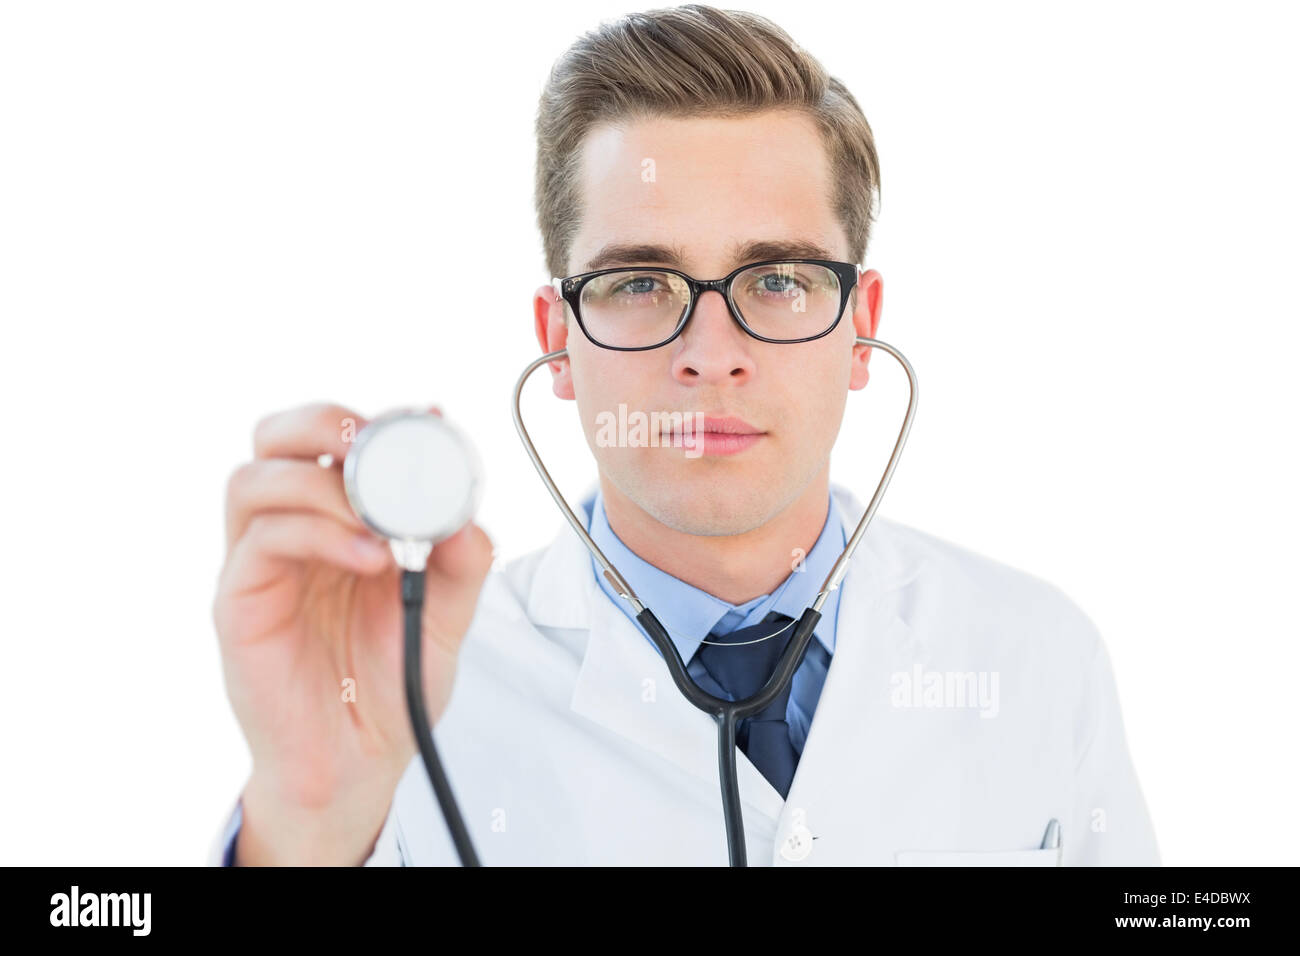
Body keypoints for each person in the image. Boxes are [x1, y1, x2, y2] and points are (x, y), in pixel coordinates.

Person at [209, 4, 1159, 866]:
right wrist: (304, 820)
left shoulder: (1036, 655)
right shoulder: (410, 696)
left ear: (860, 327)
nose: (713, 354)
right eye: (639, 283)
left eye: (778, 279)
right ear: (560, 344)